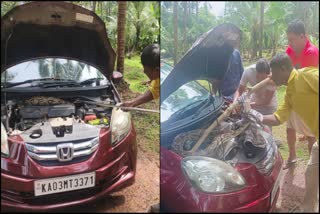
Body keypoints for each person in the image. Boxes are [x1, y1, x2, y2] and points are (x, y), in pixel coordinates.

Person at [250, 53, 318, 212]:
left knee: (312, 170)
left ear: (283, 69)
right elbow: (278, 118)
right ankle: (308, 209)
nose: (270, 76)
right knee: (312, 172)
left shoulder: (307, 75)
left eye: (272, 72)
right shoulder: (289, 94)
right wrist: (256, 116)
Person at [284, 19, 318, 169]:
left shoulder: (312, 53)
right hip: (293, 94)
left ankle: (312, 164)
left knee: (311, 134)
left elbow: (305, 82)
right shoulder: (290, 51)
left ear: (303, 36)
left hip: (310, 97)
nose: (290, 43)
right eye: (288, 39)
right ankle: (292, 156)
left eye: (292, 39)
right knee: (289, 127)